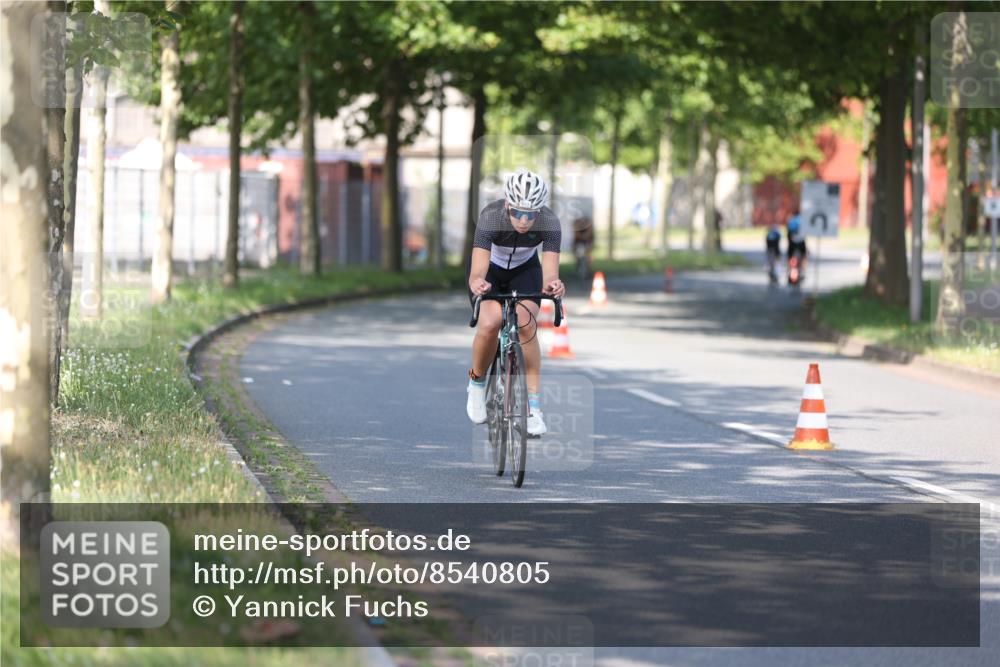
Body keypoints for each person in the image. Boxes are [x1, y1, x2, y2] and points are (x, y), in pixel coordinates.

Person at [467, 170, 565, 436]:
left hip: (525, 271)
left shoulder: (550, 222)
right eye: (518, 212)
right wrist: (477, 283)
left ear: (540, 211)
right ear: (507, 204)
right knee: (490, 322)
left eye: (531, 214)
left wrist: (554, 284)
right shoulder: (491, 216)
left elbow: (550, 273)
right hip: (492, 271)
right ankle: (476, 384)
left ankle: (533, 408)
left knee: (526, 324)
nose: (524, 220)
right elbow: (477, 270)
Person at [786, 214, 807, 285]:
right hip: (800, 242)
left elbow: (788, 235)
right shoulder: (801, 221)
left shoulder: (791, 221)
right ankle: (802, 271)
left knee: (791, 256)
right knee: (803, 256)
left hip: (791, 241)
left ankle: (790, 271)